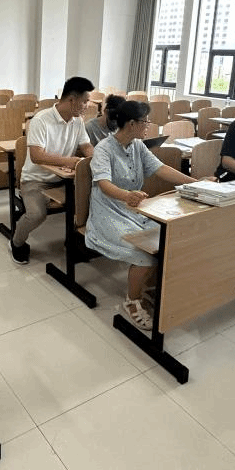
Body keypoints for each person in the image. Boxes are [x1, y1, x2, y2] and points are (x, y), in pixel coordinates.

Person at [85, 99, 197, 331]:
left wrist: (195, 183)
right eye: (145, 121)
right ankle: (132, 301)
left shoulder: (137, 145)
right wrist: (126, 195)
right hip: (108, 212)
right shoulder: (104, 149)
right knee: (143, 252)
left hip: (134, 209)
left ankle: (149, 286)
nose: (148, 125)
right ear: (132, 124)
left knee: (164, 240)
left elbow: (161, 169)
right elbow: (104, 184)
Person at [10, 76, 95, 265]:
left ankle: (73, 241)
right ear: (72, 100)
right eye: (85, 101)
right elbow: (37, 156)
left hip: (65, 179)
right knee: (36, 214)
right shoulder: (41, 120)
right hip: (35, 180)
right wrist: (69, 161)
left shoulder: (78, 121)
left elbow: (86, 146)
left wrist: (95, 159)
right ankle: (16, 242)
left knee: (94, 203)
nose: (87, 106)